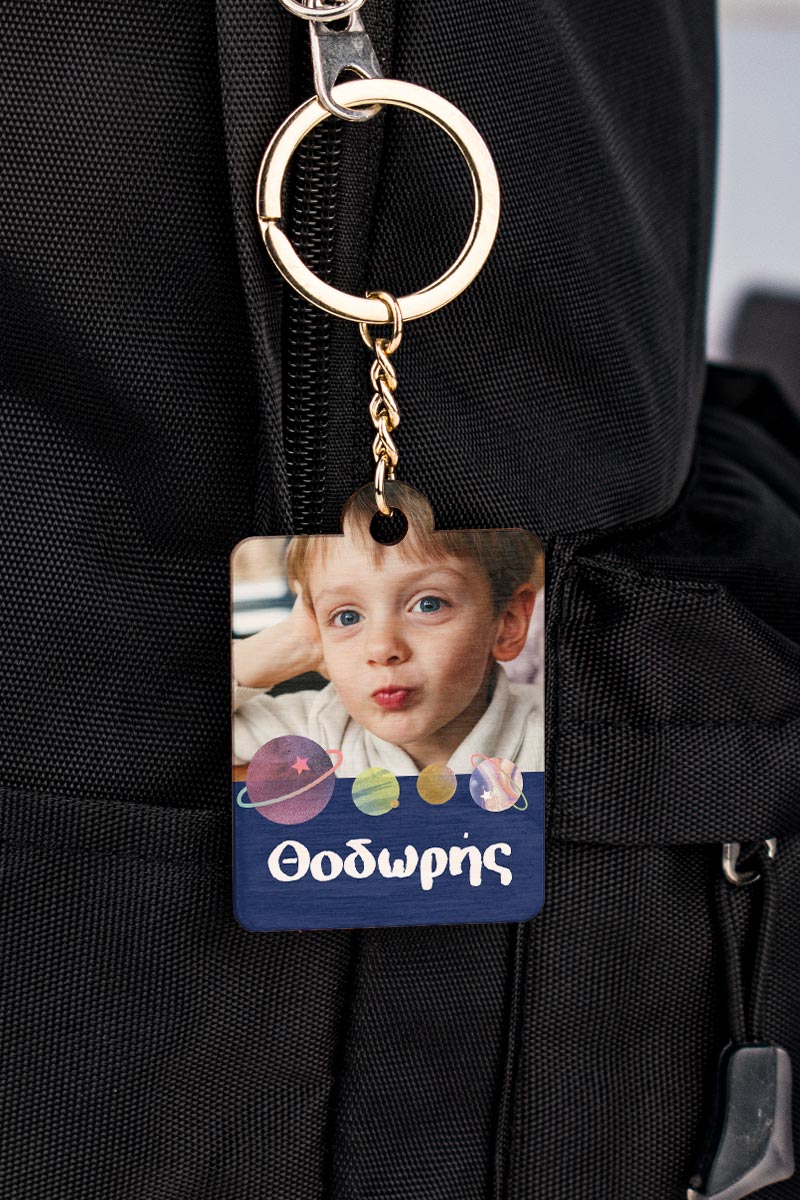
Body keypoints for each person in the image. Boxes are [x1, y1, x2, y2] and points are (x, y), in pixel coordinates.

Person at [232, 484, 543, 776]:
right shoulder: (318, 729)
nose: (382, 649)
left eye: (428, 605)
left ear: (507, 624)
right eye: (347, 617)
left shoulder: (554, 732)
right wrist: (294, 639)